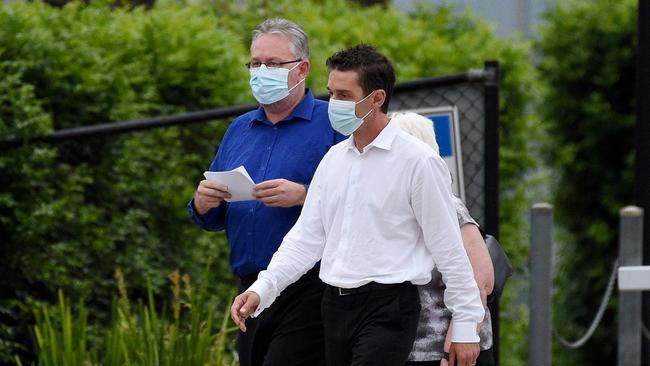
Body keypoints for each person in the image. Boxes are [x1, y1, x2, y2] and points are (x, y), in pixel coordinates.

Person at [231, 44, 484, 366]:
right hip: (334, 305)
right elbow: (306, 238)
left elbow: (448, 247)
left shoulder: (419, 162)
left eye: (344, 95)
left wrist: (465, 326)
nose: (333, 103)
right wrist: (263, 288)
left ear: (377, 99)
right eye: (331, 93)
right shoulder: (334, 160)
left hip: (389, 306)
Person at [188, 18, 344, 366]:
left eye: (273, 64)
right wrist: (202, 203)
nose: (261, 71)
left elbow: (363, 198)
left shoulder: (332, 122)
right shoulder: (239, 128)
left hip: (310, 285)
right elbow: (213, 218)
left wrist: (305, 195)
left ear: (302, 69)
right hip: (250, 286)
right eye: (255, 63)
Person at [391, 112, 495, 366]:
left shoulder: (449, 207)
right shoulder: (391, 210)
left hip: (446, 354)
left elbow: (480, 281)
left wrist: (453, 349)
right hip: (401, 349)